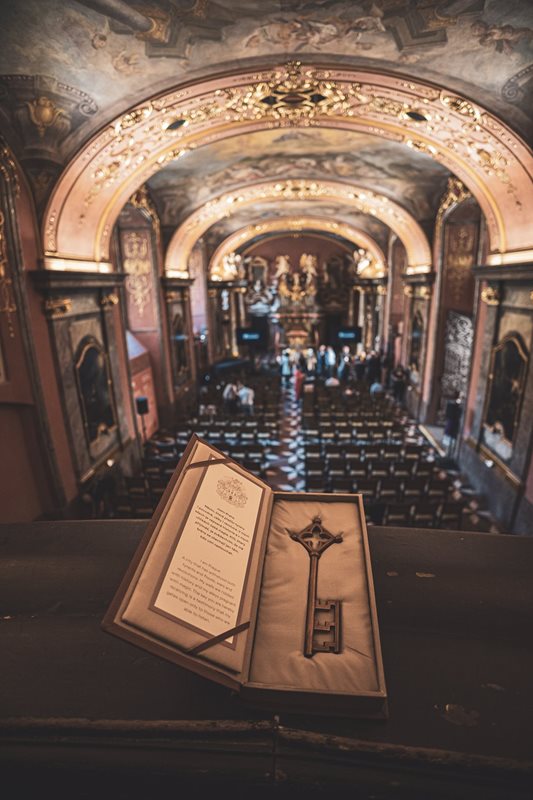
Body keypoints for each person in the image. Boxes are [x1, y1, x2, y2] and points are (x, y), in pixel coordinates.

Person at [444, 390, 463, 456]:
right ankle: (447, 453)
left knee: (451, 440)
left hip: (453, 423)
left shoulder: (454, 403)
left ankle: (448, 453)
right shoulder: (453, 403)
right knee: (449, 440)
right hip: (452, 422)